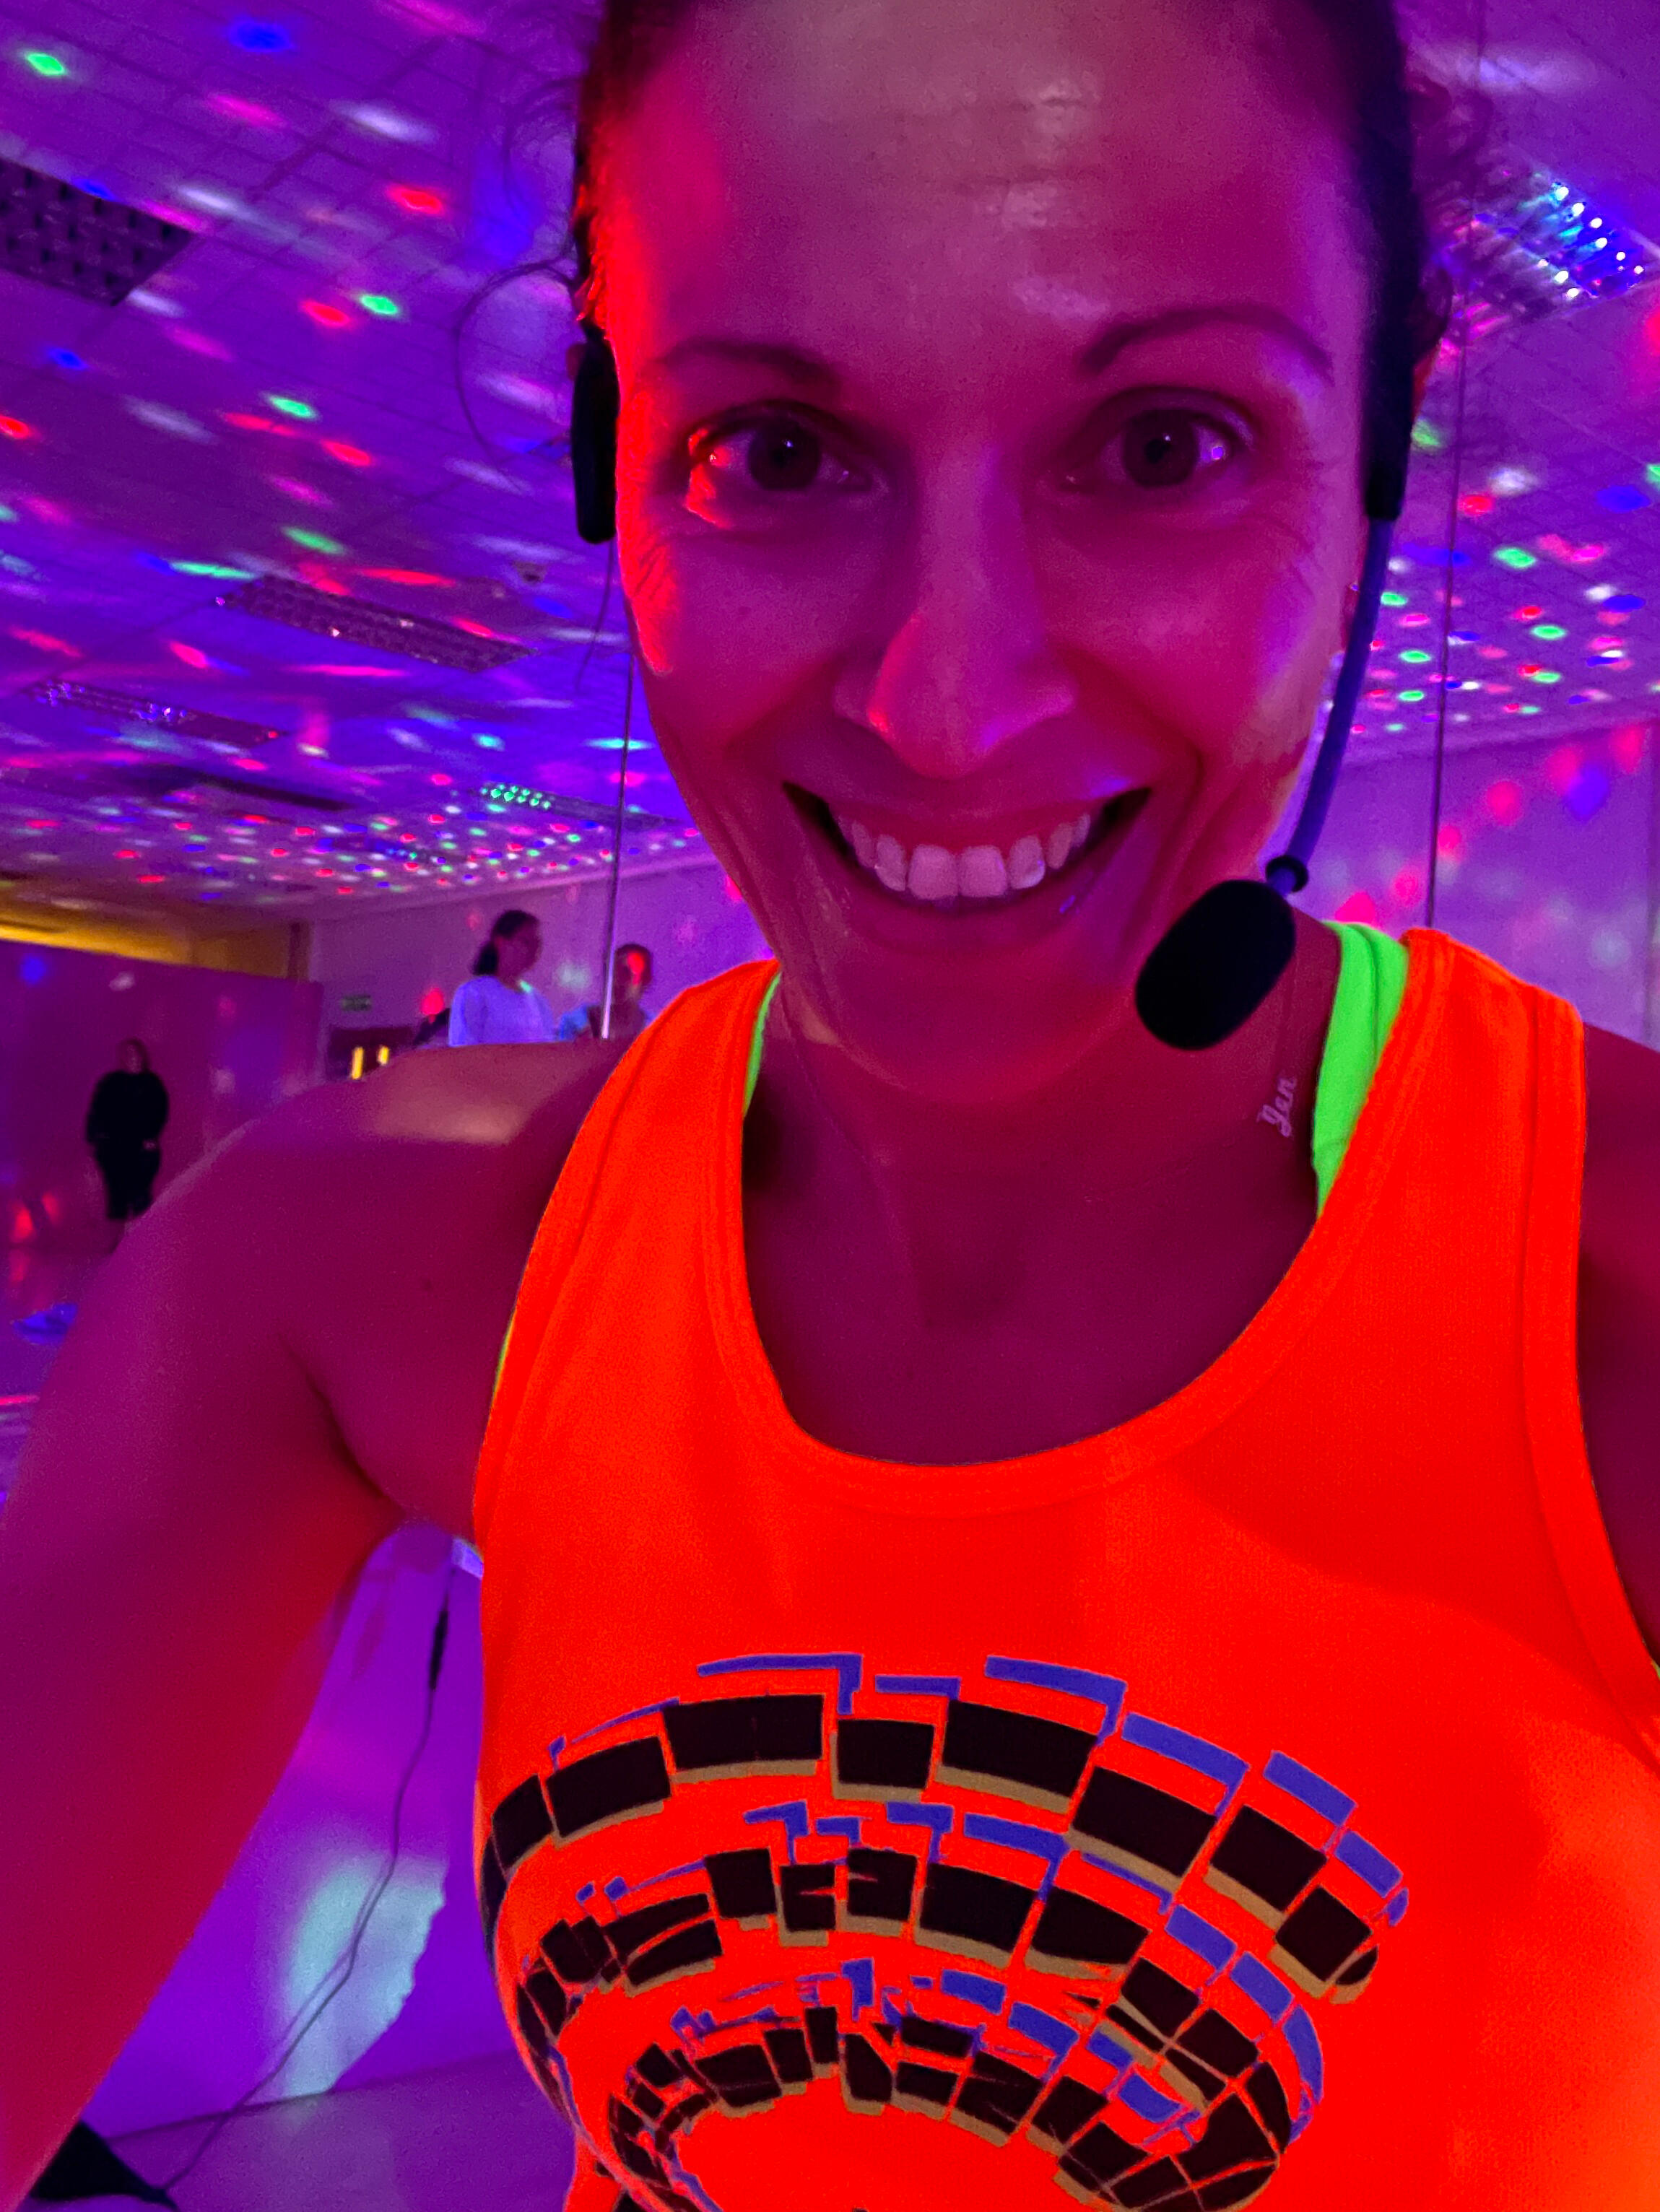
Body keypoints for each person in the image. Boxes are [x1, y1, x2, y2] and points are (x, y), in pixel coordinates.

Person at [4, 1, 1660, 2206]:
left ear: (1372, 463)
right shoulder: (345, 1270)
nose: (946, 706)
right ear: (611, 467)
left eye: (1163, 444)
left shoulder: (1607, 1286)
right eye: (775, 453)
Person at [83, 1041, 168, 1239]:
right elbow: (97, 1111)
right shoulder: (111, 1083)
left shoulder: (152, 1084)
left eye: (135, 1053)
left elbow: (159, 1112)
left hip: (142, 1149)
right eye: (127, 1054)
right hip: (114, 1149)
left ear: (142, 1056)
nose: (132, 1058)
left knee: (140, 1195)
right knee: (117, 1196)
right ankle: (118, 1244)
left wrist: (151, 1137)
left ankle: (142, 1240)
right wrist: (95, 1138)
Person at [446, 910, 560, 1047]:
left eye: (537, 944)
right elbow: (463, 1049)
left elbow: (547, 1049)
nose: (533, 950)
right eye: (525, 942)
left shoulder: (537, 1000)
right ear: (501, 943)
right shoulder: (474, 993)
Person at [555, 941, 655, 1042]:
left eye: (625, 974)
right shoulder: (577, 1023)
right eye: (613, 974)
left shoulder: (656, 1031)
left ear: (646, 980)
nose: (616, 982)